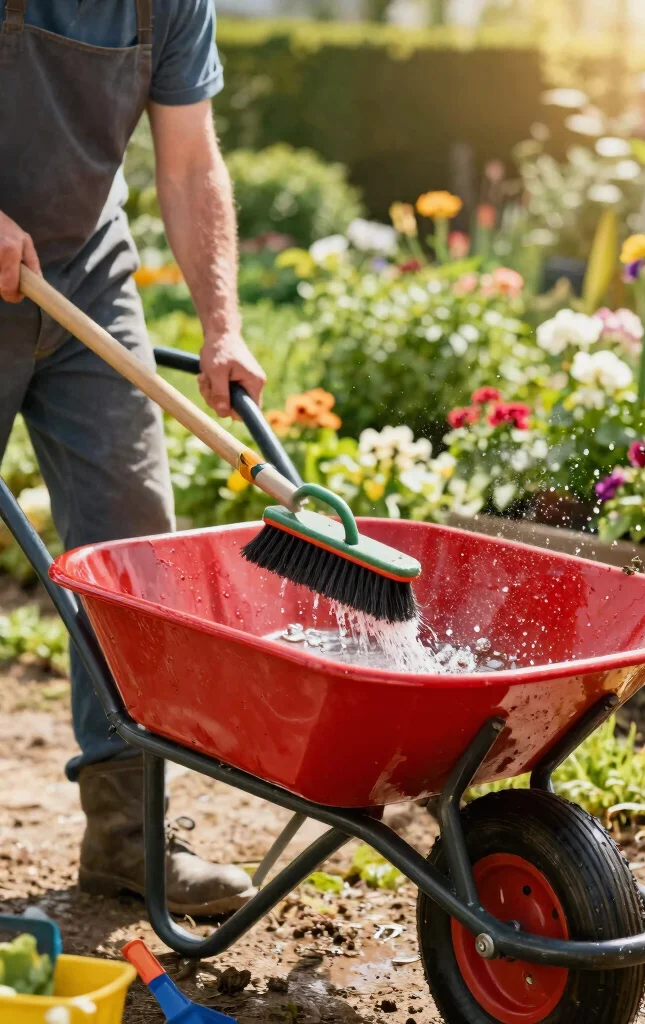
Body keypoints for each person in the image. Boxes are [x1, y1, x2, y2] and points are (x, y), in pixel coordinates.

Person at [0, 0, 267, 916]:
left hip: (84, 272)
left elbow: (189, 163)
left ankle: (128, 833)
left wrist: (223, 326)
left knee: (134, 550)